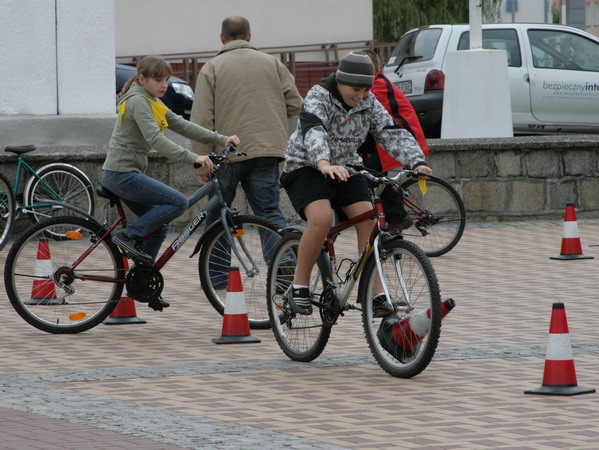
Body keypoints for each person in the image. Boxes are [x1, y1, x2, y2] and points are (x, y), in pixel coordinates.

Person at [281, 51, 432, 317]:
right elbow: (313, 129)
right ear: (340, 81)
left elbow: (389, 131)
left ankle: (372, 293)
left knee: (369, 219)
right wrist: (324, 163)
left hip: (346, 168)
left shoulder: (368, 101)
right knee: (321, 219)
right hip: (306, 166)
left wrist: (416, 162)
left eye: (366, 89)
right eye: (355, 89)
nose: (361, 95)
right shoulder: (319, 96)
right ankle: (299, 286)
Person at [102, 55, 240, 309]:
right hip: (121, 175)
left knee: (160, 226)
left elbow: (183, 125)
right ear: (142, 79)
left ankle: (144, 281)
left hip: (127, 174)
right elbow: (156, 139)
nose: (164, 84)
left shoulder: (151, 101)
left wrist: (222, 138)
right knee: (177, 202)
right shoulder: (137, 101)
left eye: (166, 79)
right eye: (158, 79)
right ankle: (128, 236)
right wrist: (193, 158)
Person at [190, 16, 302, 230]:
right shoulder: (273, 63)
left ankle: (216, 265)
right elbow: (296, 104)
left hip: (226, 153)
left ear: (222, 38)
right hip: (266, 149)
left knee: (217, 214)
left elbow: (202, 118)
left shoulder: (212, 68)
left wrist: (201, 160)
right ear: (249, 36)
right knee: (268, 210)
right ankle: (282, 258)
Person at [360, 49, 430, 231]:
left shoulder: (376, 86)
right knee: (370, 172)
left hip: (401, 137)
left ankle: (399, 217)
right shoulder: (374, 81)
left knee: (373, 174)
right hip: (388, 137)